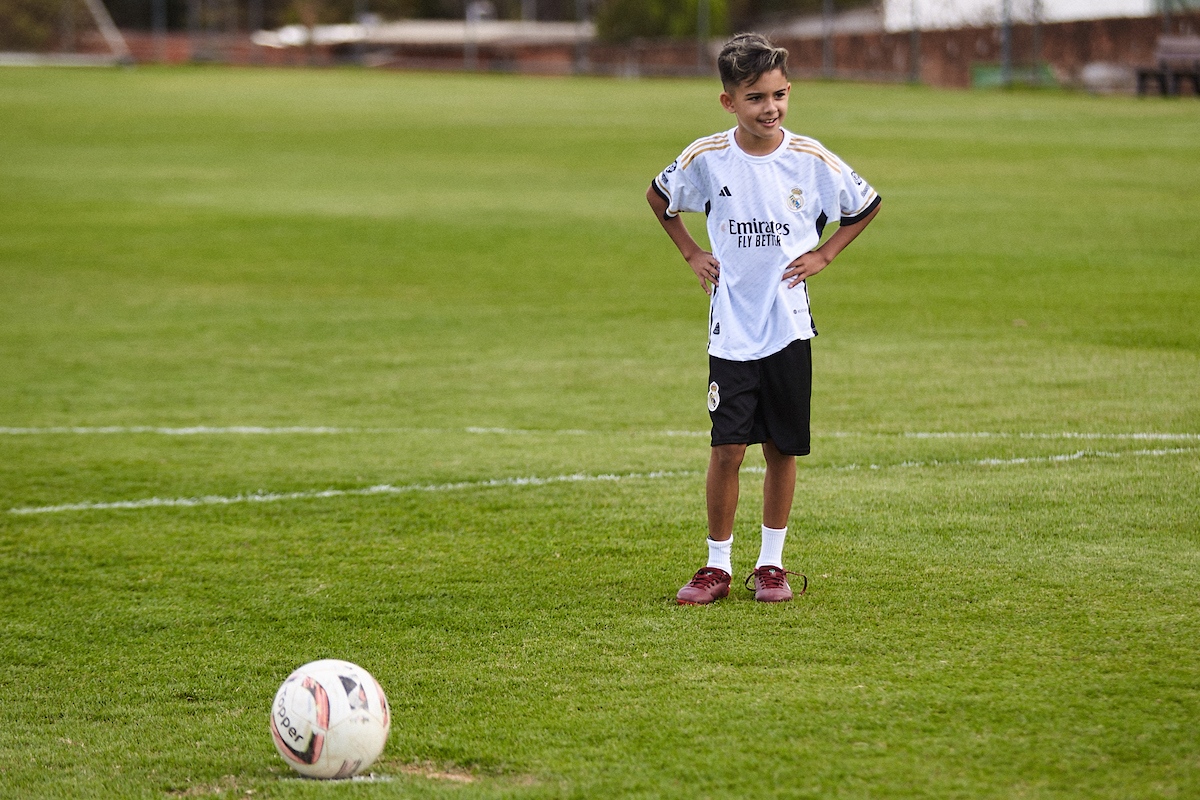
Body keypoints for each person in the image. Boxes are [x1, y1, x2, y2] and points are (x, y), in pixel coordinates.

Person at [646, 32, 881, 604]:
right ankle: (716, 566)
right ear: (729, 101)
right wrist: (691, 253)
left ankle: (771, 565)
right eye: (754, 97)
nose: (769, 108)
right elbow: (660, 199)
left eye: (777, 94)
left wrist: (825, 253)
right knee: (727, 449)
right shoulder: (706, 157)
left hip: (787, 326)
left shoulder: (809, 157)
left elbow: (865, 204)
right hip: (731, 325)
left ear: (788, 91)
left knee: (782, 447)